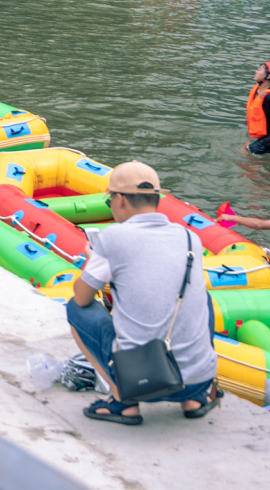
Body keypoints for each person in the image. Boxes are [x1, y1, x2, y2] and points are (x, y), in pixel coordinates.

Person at [67, 160, 221, 424]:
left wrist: (93, 261)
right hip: (198, 380)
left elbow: (82, 296)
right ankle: (194, 400)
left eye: (109, 202)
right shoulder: (189, 237)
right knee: (201, 297)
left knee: (74, 308)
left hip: (143, 382)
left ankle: (122, 402)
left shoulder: (113, 237)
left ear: (120, 200)